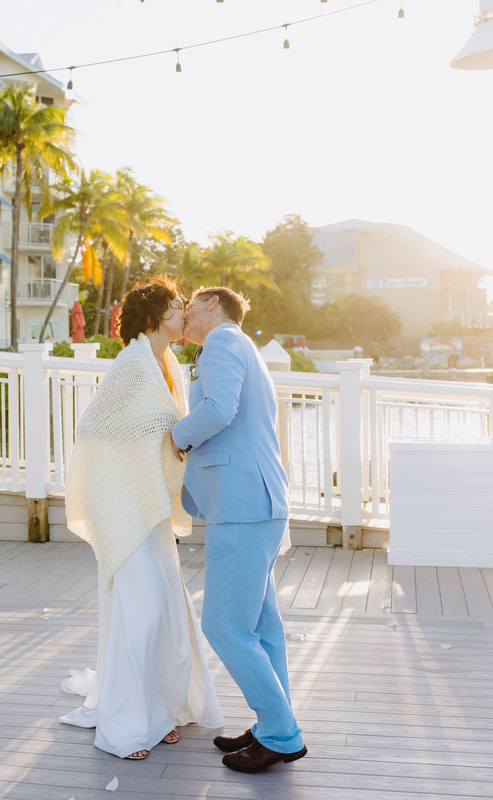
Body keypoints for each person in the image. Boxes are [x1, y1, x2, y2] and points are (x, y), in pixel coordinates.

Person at [60, 276, 223, 760]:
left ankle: (161, 710)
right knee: (144, 609)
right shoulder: (132, 362)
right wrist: (136, 462)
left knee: (167, 611)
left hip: (149, 508)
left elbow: (171, 431)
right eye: (176, 305)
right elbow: (94, 426)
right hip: (125, 505)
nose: (184, 311)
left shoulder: (167, 362)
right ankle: (125, 726)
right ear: (154, 315)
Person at [171, 287, 306, 774]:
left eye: (189, 306)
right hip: (257, 502)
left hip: (245, 505)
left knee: (224, 625)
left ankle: (281, 735)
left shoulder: (225, 342)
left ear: (213, 305)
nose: (184, 314)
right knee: (262, 628)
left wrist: (174, 439)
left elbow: (220, 408)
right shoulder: (238, 346)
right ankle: (274, 723)